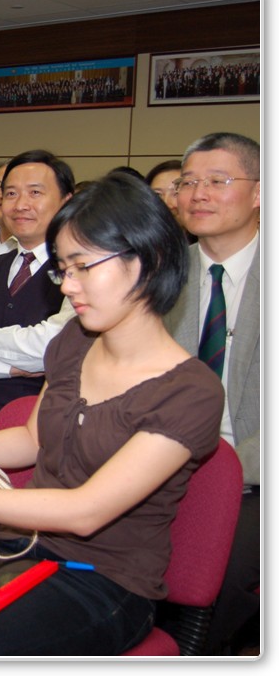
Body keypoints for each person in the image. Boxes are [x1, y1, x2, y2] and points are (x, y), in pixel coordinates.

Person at [0, 171, 224, 656]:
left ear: (147, 261)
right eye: (62, 269)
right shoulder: (76, 341)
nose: (68, 285)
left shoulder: (190, 391)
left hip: (107, 582)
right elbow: (33, 437)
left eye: (84, 267)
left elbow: (86, 511)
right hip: (23, 550)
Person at [164, 133, 259, 654]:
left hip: (256, 471)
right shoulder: (161, 274)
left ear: (260, 191)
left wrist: (231, 471)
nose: (197, 194)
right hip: (164, 456)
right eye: (188, 182)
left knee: (223, 569)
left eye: (217, 181)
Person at [0, 150, 76, 432]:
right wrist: (11, 367)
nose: (20, 205)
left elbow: (53, 347)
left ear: (67, 201)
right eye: (11, 194)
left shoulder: (80, 270)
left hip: (40, 431)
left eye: (35, 193)